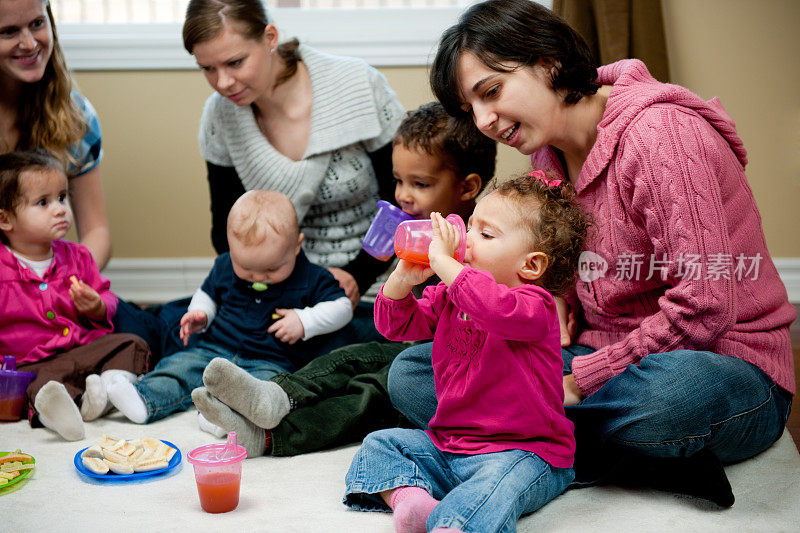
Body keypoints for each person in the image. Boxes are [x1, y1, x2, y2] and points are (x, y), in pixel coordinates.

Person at [388, 0, 797, 508]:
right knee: (413, 371)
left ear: (550, 63)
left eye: (491, 92)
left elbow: (705, 305)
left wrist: (580, 382)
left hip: (719, 363)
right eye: (471, 108)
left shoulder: (661, 135)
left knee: (676, 396)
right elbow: (550, 272)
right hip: (595, 354)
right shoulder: (547, 157)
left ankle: (520, 444)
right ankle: (609, 454)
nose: (485, 120)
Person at [191, 102, 496, 457]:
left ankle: (274, 436)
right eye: (398, 180)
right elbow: (398, 321)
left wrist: (444, 261)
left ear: (468, 187)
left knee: (371, 389)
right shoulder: (418, 232)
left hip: (452, 361)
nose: (402, 195)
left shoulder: (482, 245)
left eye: (420, 183)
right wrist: (394, 274)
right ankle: (276, 395)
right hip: (412, 342)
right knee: (347, 356)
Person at [343, 173, 589, 533]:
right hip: (449, 445)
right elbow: (396, 326)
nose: (467, 241)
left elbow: (492, 306)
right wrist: (401, 280)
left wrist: (446, 265)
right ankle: (412, 503)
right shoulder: (450, 294)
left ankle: (455, 523)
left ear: (531, 265)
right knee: (381, 444)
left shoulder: (535, 306)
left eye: (486, 235)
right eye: (470, 227)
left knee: (494, 487)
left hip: (524, 452)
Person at [184, 0, 405, 305]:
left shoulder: (357, 85)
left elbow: (406, 201)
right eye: (207, 68)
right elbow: (225, 230)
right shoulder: (219, 117)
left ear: (270, 38)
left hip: (375, 279)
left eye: (235, 62)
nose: (222, 83)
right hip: (275, 286)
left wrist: (358, 274)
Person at [108, 190, 353, 424]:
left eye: (271, 269)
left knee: (266, 392)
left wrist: (304, 320)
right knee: (180, 367)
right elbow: (207, 293)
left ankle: (225, 418)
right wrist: (201, 313)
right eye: (245, 268)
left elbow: (343, 307)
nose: (258, 277)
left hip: (269, 361)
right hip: (213, 349)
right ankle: (144, 398)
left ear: (297, 245)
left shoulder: (311, 277)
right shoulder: (225, 265)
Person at [0, 149, 148, 441]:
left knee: (131, 343)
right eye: (43, 202)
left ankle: (110, 387)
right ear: (5, 220)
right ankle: (58, 411)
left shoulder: (77, 257)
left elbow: (106, 296)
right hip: (31, 364)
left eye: (62, 198)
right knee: (43, 385)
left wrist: (97, 306)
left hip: (82, 350)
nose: (60, 209)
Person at [0, 0, 111, 270]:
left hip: (46, 289)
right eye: (9, 31)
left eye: (37, 24)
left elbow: (97, 232)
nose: (29, 43)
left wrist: (67, 287)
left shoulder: (76, 117)